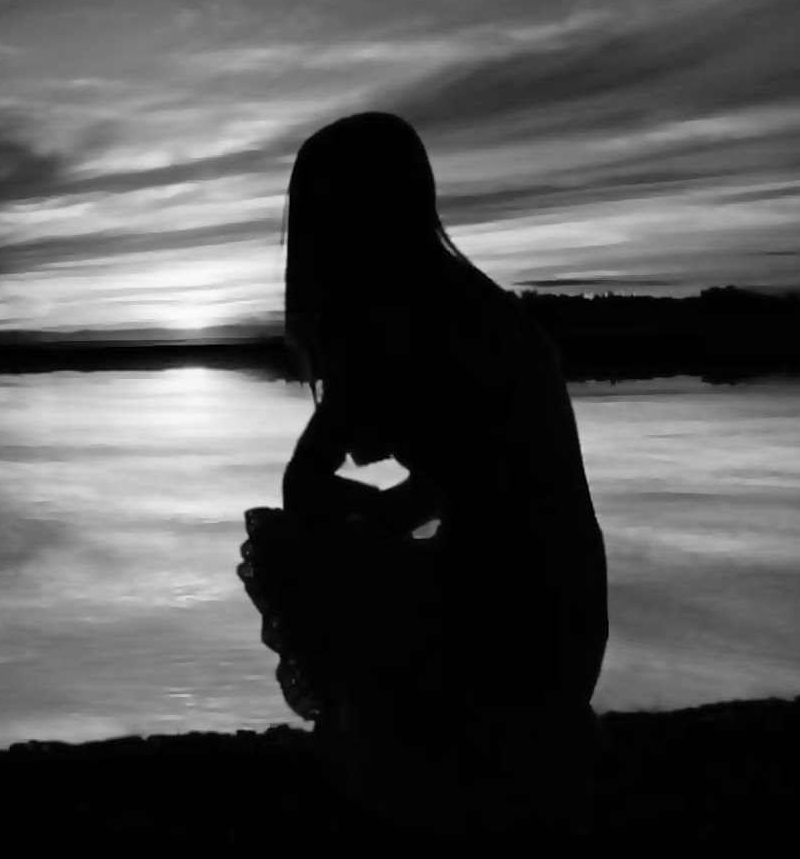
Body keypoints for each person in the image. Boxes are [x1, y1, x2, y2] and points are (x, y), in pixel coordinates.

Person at [238, 112, 611, 840]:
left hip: (512, 619)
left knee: (289, 546)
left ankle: (403, 758)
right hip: (569, 606)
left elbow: (302, 485)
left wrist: (365, 527)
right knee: (356, 549)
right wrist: (386, 521)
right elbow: (471, 479)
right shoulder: (479, 307)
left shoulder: (394, 319)